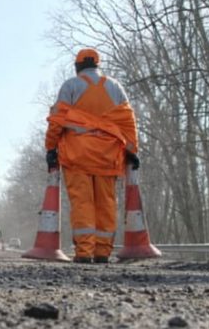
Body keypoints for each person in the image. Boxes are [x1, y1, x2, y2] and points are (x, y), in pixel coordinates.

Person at [45, 48, 139, 264]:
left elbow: (57, 119)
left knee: (82, 202)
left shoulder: (70, 86)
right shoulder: (115, 87)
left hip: (77, 156)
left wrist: (51, 148)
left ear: (77, 66)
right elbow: (128, 122)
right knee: (106, 203)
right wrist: (132, 151)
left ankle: (84, 252)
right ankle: (103, 252)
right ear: (98, 65)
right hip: (108, 156)